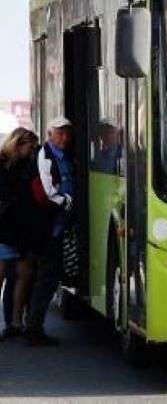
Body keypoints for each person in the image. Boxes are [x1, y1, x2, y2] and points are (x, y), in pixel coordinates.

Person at [25, 117, 74, 346]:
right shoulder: (45, 155)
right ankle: (33, 329)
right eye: (60, 133)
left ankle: (33, 326)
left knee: (49, 277)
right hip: (48, 229)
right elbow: (48, 192)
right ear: (50, 134)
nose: (64, 137)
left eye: (67, 133)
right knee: (46, 278)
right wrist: (67, 201)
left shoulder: (64, 155)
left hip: (58, 227)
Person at [0, 127, 39, 340]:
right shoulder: (3, 163)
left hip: (22, 227)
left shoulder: (29, 164)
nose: (31, 151)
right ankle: (13, 321)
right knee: (4, 275)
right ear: (18, 144)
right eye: (29, 147)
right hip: (4, 227)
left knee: (23, 276)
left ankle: (16, 321)